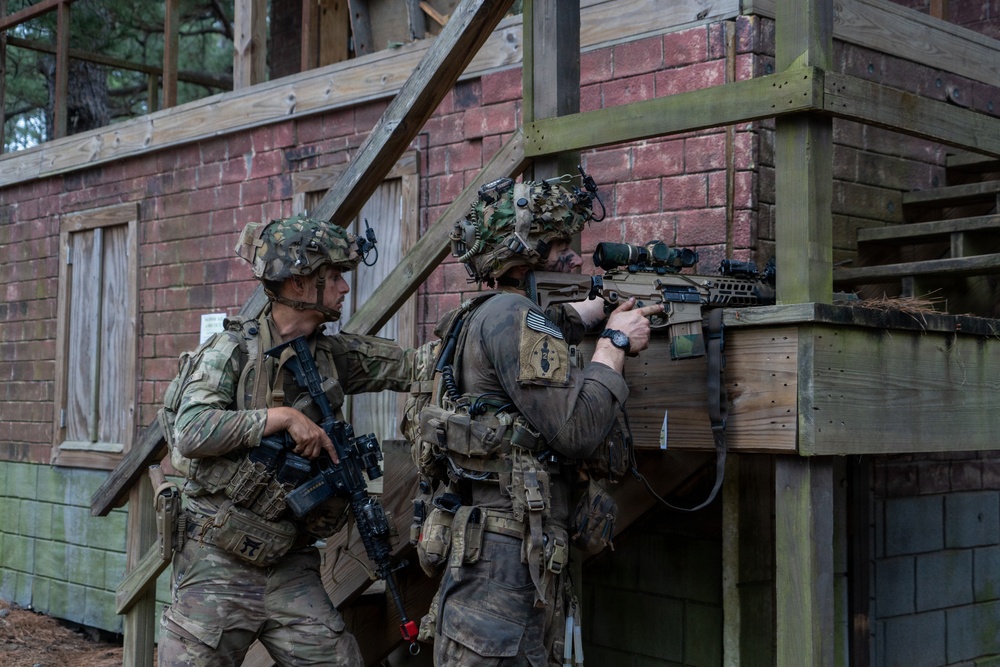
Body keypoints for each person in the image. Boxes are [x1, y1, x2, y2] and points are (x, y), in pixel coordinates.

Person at [409, 176, 661, 666]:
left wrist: (593, 312)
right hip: (506, 557)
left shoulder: (484, 313)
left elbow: (545, 325)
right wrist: (615, 345)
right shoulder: (515, 316)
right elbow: (576, 431)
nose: (573, 257)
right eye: (560, 246)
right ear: (523, 253)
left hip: (496, 542)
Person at [157, 214, 418, 667]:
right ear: (299, 284)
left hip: (290, 563)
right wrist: (282, 417)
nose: (344, 288)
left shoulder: (330, 355)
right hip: (217, 562)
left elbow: (414, 366)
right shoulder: (230, 351)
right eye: (333, 277)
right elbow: (191, 429)